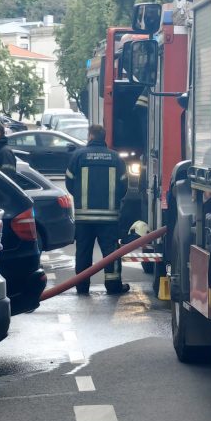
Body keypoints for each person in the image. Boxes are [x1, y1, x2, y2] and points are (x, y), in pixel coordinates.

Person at [65, 124, 129, 295]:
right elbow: (124, 185)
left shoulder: (78, 156)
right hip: (109, 217)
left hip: (84, 217)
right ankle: (113, 286)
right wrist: (114, 201)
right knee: (111, 252)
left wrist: (80, 198)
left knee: (83, 252)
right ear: (104, 137)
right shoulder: (116, 158)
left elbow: (69, 183)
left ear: (91, 136)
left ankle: (82, 286)